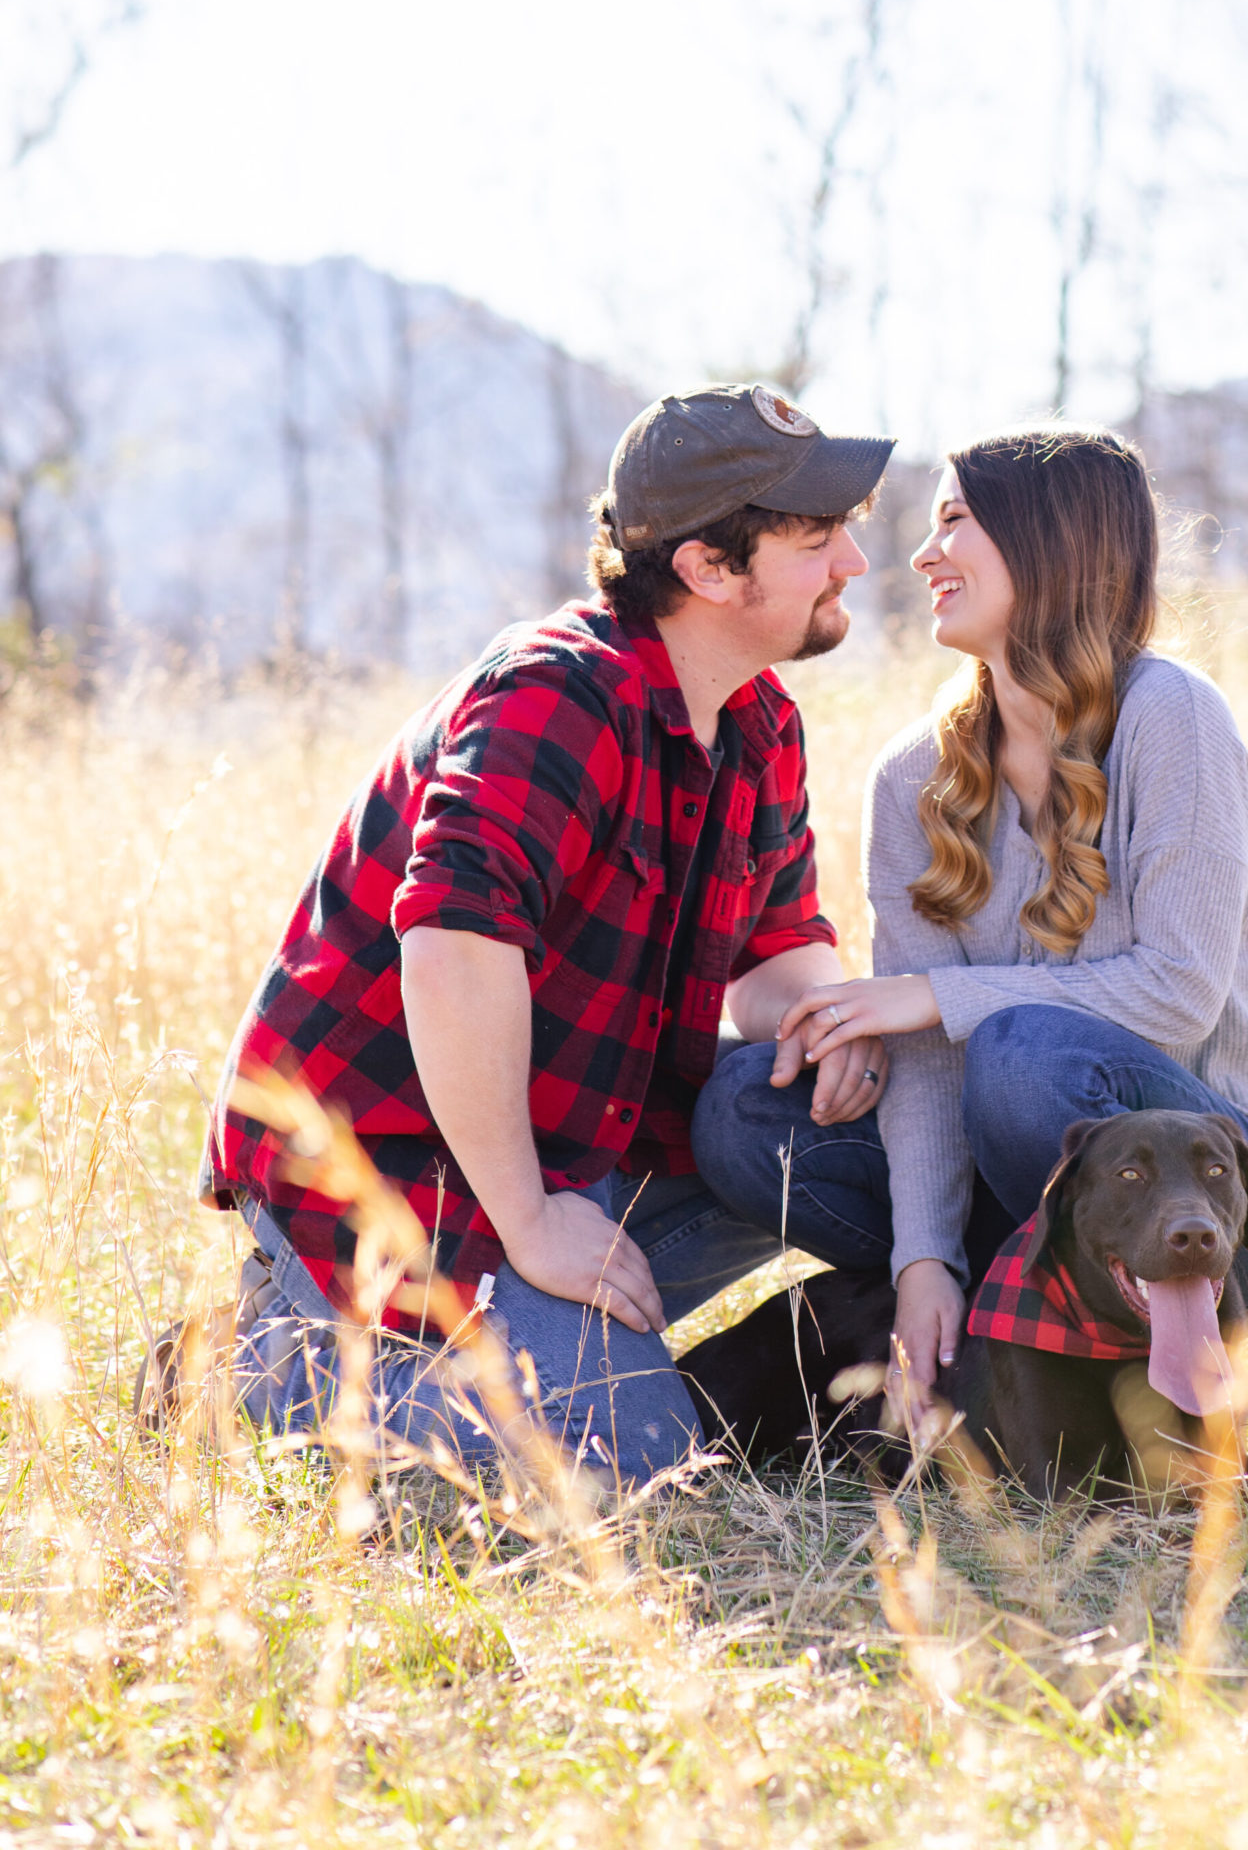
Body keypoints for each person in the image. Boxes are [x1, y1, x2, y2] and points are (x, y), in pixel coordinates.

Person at [198, 381, 896, 1486]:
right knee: (627, 1466)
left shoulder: (760, 720)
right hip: (396, 1160)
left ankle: (587, 1351)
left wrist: (832, 1019)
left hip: (576, 1139)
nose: (853, 561)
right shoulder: (556, 692)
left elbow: (776, 947)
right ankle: (251, 1370)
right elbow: (451, 944)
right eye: (817, 536)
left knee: (828, 1127)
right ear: (710, 569)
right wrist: (527, 1217)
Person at [691, 425, 1248, 1407]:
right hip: (1041, 1184)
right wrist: (921, 1263)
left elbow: (1177, 995)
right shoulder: (916, 774)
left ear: (1049, 540)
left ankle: (1120, 1348)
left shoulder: (1170, 717)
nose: (921, 554)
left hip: (1229, 1197)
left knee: (1023, 1054)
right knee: (742, 1106)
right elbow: (929, 1064)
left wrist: (931, 995)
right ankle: (987, 1303)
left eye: (953, 520)